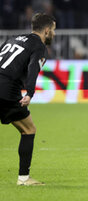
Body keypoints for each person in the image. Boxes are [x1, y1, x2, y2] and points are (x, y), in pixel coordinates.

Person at [0, 13, 56, 185]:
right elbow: (33, 69)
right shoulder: (39, 46)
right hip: (7, 90)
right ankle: (24, 178)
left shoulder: (13, 38)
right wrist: (29, 93)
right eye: (53, 30)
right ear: (47, 31)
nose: (54, 34)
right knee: (29, 130)